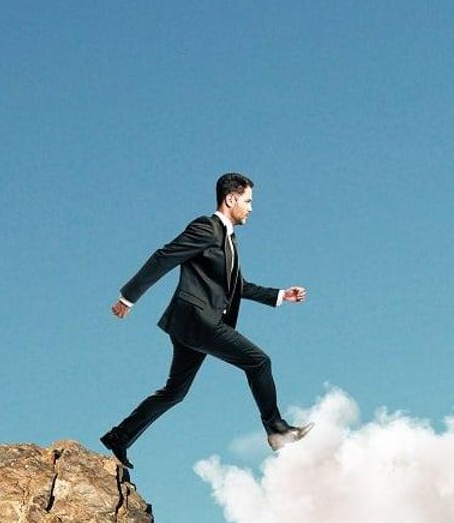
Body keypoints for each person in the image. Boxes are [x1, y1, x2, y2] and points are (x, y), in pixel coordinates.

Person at [100, 172, 313, 468]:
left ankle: (118, 438)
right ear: (230, 199)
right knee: (259, 361)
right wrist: (128, 298)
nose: (251, 208)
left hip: (194, 325)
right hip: (197, 318)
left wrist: (280, 295)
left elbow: (239, 286)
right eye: (248, 201)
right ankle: (276, 429)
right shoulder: (206, 228)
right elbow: (164, 256)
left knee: (174, 392)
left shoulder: (229, 240)